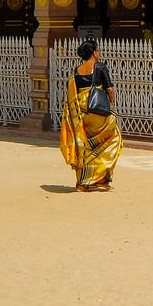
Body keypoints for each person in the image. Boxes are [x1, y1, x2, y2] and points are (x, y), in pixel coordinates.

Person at [58, 38, 124, 192]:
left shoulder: (77, 70)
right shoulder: (100, 67)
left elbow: (73, 94)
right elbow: (109, 88)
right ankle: (100, 177)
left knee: (86, 146)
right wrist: (112, 102)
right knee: (114, 139)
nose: (99, 53)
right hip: (97, 112)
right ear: (94, 53)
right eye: (98, 50)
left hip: (81, 113)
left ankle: (84, 182)